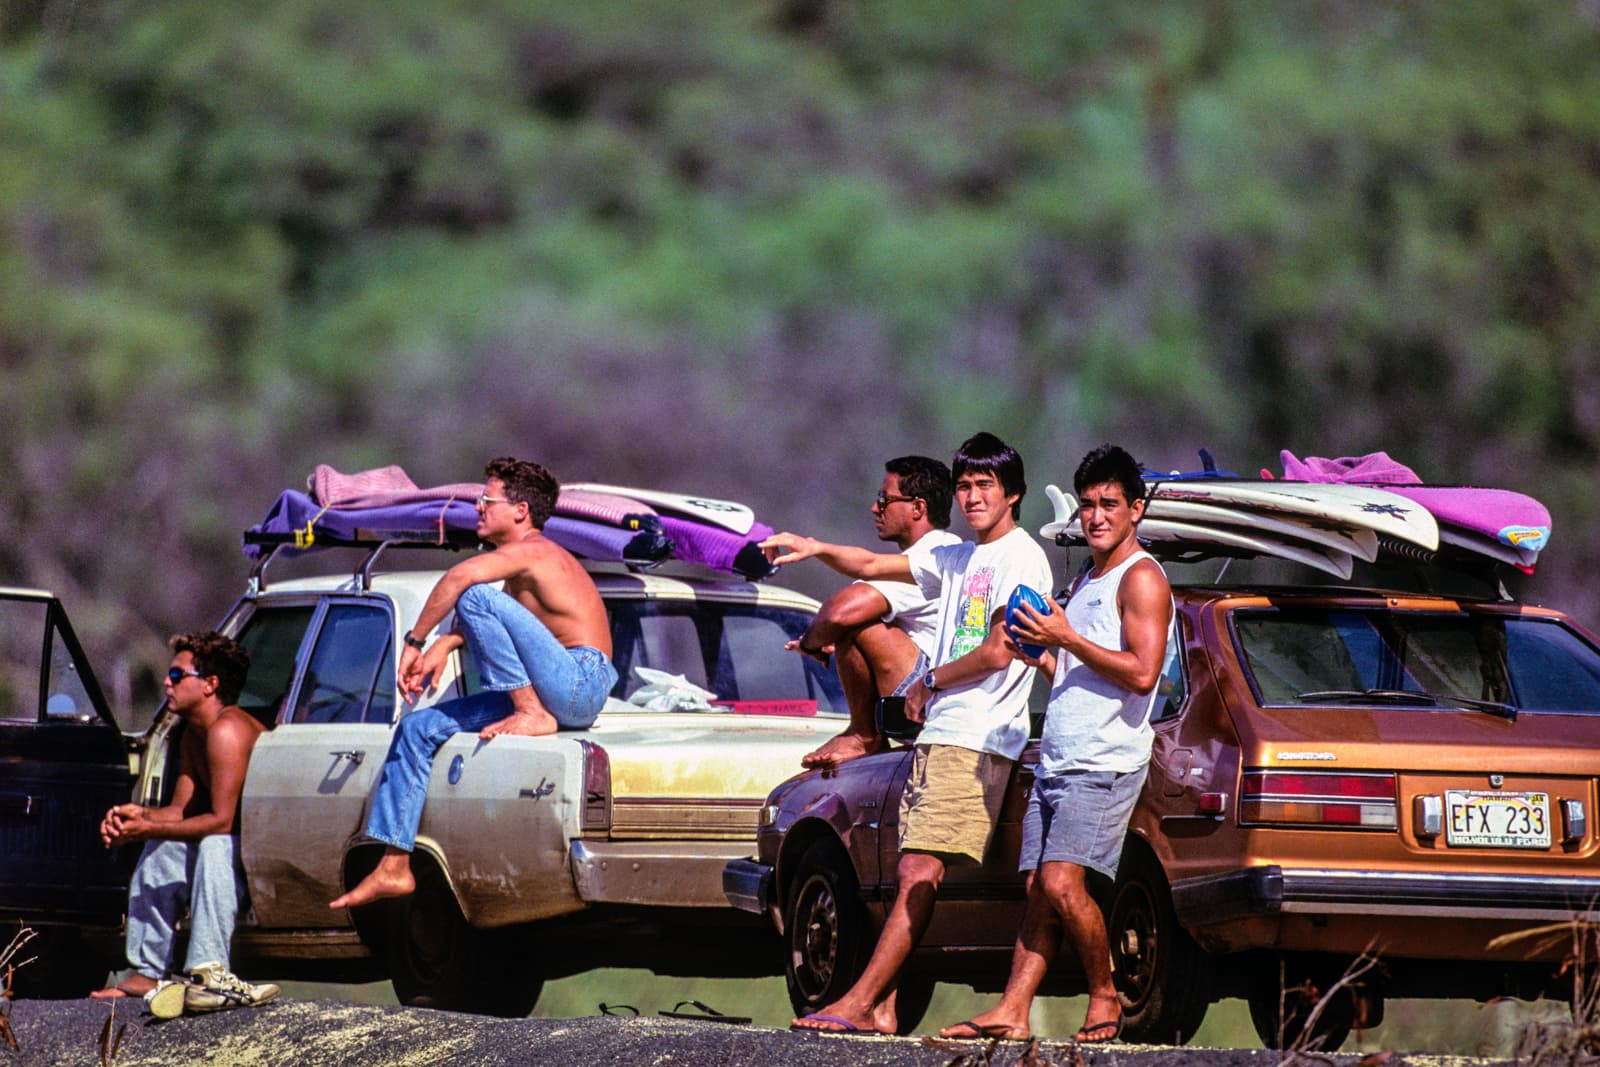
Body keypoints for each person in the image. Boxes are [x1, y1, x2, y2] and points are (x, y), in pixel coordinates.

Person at [762, 432, 1052, 1035]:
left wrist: (927, 685)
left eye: (986, 486)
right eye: (966, 485)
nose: (973, 497)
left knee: (920, 871)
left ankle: (860, 1001)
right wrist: (811, 546)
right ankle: (887, 1006)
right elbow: (869, 565)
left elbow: (1000, 651)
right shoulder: (957, 557)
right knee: (907, 873)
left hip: (974, 734)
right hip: (941, 732)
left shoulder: (1021, 557)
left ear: (1014, 494)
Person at [938, 444, 1172, 1045]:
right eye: (1089, 505)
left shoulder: (1140, 578)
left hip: (1105, 761)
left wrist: (1065, 634)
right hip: (1060, 758)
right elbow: (1079, 672)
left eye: (1110, 505)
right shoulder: (1088, 577)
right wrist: (1046, 653)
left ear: (1135, 510)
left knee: (1065, 885)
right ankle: (1012, 1010)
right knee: (1038, 890)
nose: (1096, 516)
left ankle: (1105, 995)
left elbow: (1143, 672)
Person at [330, 456, 617, 910]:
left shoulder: (536, 551)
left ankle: (529, 712)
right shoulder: (520, 565)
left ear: (520, 510)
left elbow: (464, 581)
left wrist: (417, 641)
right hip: (553, 687)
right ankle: (394, 863)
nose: (478, 509)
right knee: (418, 728)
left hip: (579, 681)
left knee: (475, 592)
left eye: (487, 500)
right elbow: (501, 617)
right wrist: (448, 645)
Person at [91, 631, 278, 1018]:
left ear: (210, 684)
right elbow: (181, 810)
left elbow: (223, 822)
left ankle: (209, 973)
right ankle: (145, 971)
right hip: (226, 852)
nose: (166, 682)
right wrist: (135, 817)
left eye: (178, 676)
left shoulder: (227, 730)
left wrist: (148, 827)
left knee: (212, 844)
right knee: (162, 847)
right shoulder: (192, 733)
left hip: (255, 862)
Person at [791, 455, 960, 771]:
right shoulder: (935, 550)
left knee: (855, 621)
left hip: (932, 694)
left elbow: (840, 612)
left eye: (884, 499)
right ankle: (863, 732)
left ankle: (863, 734)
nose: (874, 508)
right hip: (930, 688)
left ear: (918, 508)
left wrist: (811, 644)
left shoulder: (936, 552)